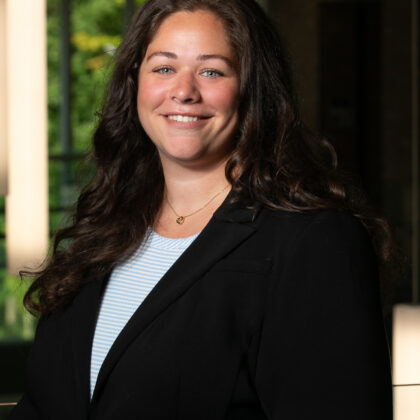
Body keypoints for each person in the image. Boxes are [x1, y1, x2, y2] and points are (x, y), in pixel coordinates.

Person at [9, 0, 393, 419]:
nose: (184, 91)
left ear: (252, 87)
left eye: (212, 71)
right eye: (163, 68)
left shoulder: (313, 242)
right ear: (135, 81)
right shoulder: (105, 226)